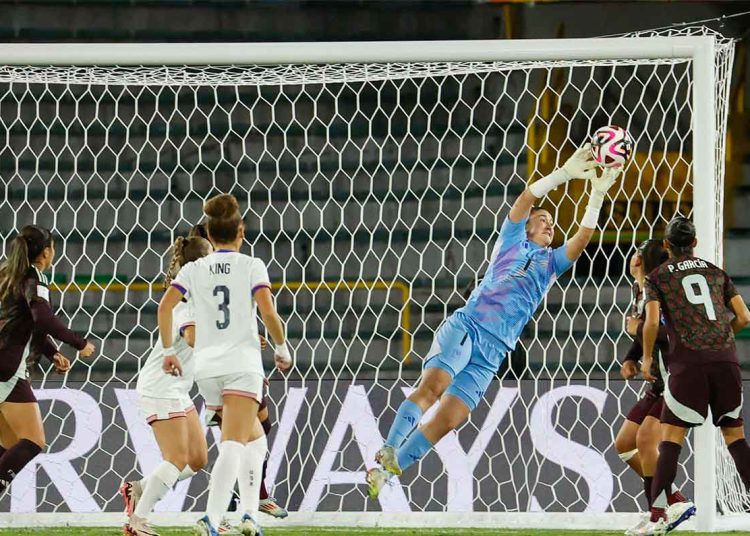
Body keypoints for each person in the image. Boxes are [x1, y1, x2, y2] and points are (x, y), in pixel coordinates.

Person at [368, 145, 621, 497]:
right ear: (527, 226)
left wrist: (596, 195)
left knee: (451, 417)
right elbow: (526, 198)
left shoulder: (551, 264)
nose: (549, 223)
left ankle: (385, 473)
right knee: (433, 387)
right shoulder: (511, 242)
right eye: (543, 219)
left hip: (495, 350)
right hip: (469, 327)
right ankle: (389, 446)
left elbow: (581, 240)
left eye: (552, 222)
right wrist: (563, 174)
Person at [159, 194, 292, 536]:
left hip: (206, 368)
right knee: (234, 442)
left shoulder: (192, 269)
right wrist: (281, 347)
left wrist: (167, 353)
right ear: (241, 231)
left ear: (210, 234)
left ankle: (250, 515)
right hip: (241, 365)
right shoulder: (252, 265)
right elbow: (268, 312)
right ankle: (212, 518)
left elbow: (164, 308)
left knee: (255, 439)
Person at [638, 216, 750, 535]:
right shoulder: (716, 272)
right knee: (735, 437)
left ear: (666, 246)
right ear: (696, 243)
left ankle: (658, 516)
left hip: (689, 364)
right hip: (726, 362)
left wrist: (646, 358)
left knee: (671, 439)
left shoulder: (658, 277)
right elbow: (744, 316)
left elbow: (651, 322)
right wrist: (720, 339)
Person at [190, 223, 289, 520]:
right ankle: (237, 503)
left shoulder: (222, 270)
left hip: (234, 365)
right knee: (238, 439)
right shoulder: (200, 275)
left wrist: (250, 338)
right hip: (220, 368)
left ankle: (245, 497)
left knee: (259, 428)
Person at [120, 234, 213, 536]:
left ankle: (139, 490)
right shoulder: (186, 300)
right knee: (176, 459)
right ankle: (138, 522)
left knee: (198, 458)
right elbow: (192, 337)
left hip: (177, 388)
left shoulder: (200, 297)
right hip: (161, 386)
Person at [0, 225, 95, 496]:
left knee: (8, 443)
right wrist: (79, 342)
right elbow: (41, 316)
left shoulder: (6, 275)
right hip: (7, 368)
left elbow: (26, 322)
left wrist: (52, 352)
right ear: (46, 252)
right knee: (33, 440)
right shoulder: (34, 277)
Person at [615, 240, 687, 536]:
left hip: (678, 378)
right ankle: (673, 499)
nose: (632, 258)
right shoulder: (641, 290)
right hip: (658, 383)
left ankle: (658, 516)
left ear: (645, 261)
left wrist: (639, 328)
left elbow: (671, 334)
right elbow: (645, 330)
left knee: (646, 439)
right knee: (624, 444)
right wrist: (632, 357)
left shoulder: (666, 291)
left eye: (637, 254)